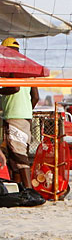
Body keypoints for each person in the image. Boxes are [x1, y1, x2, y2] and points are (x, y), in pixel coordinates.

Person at [0, 37, 39, 188]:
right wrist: (27, 110)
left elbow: (15, 88)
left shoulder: (11, 66)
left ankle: (28, 189)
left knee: (19, 156)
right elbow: (35, 97)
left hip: (14, 116)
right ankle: (18, 189)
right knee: (15, 156)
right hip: (25, 117)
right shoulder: (28, 68)